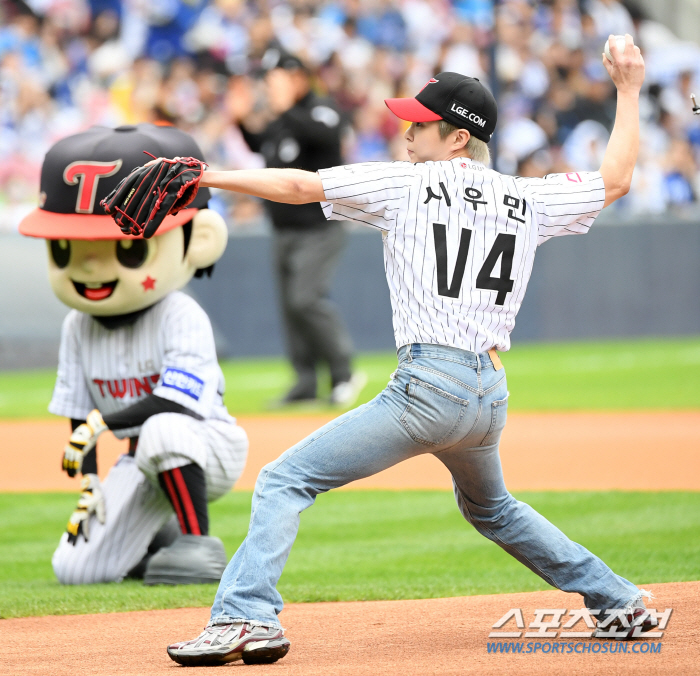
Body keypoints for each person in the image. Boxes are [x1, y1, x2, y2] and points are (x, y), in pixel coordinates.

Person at [165, 35, 653, 666]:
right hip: (487, 394)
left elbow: (297, 184)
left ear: (457, 137)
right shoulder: (527, 197)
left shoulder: (408, 185)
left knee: (285, 479)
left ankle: (244, 618)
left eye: (421, 124)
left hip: (428, 386)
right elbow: (616, 180)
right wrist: (629, 89)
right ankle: (617, 600)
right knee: (493, 509)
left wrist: (208, 176)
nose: (407, 131)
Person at [19, 124, 248, 585]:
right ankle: (150, 541)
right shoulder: (77, 326)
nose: (89, 266)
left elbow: (176, 404)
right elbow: (77, 413)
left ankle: (196, 542)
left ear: (198, 239)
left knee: (163, 429)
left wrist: (102, 425)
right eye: (65, 248)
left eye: (127, 246)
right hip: (139, 459)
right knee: (75, 570)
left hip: (207, 447)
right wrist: (89, 484)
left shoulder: (180, 314)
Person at [234, 48, 365, 407]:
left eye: (277, 78)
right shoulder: (283, 118)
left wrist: (284, 107)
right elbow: (262, 146)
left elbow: (324, 139)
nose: (271, 86)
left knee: (305, 299)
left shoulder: (320, 108)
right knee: (290, 308)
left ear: (297, 78)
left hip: (319, 226)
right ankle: (305, 380)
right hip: (284, 228)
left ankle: (344, 372)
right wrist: (242, 119)